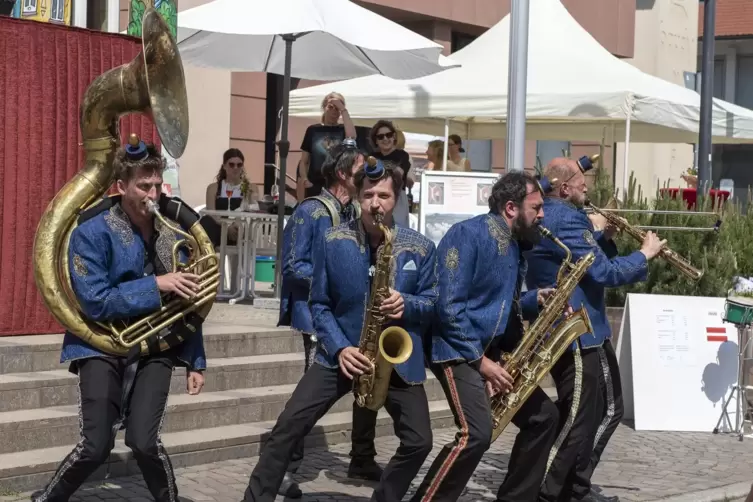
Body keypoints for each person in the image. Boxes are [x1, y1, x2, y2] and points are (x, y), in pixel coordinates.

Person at [243, 159, 438, 502]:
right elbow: (319, 304)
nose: (375, 203)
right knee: (287, 426)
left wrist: (407, 303)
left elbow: (435, 302)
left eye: (384, 196)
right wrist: (339, 348)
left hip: (393, 361)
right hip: (340, 355)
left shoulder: (421, 247)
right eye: (368, 195)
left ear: (397, 199)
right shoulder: (333, 241)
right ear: (357, 195)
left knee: (420, 440)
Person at [33, 135, 207, 502]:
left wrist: (195, 359)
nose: (154, 195)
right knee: (95, 446)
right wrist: (155, 283)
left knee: (144, 441)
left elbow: (191, 303)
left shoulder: (172, 230)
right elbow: (96, 301)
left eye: (158, 185)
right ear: (121, 187)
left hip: (158, 344)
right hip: (99, 342)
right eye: (143, 187)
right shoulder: (91, 232)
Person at [412, 171, 561, 502]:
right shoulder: (466, 235)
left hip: (486, 351)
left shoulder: (514, 245)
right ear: (511, 207)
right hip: (454, 349)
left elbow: (492, 304)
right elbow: (448, 307)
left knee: (544, 418)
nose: (542, 215)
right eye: (536, 207)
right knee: (476, 434)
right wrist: (482, 364)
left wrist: (530, 300)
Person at [525, 157, 665, 502]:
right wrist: (644, 255)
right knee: (586, 416)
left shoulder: (560, 217)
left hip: (584, 326)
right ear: (564, 187)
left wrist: (602, 236)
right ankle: (558, 489)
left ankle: (571, 486)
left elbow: (584, 263)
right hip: (578, 329)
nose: (586, 186)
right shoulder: (567, 218)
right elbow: (606, 274)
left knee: (602, 411)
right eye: (580, 180)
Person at [278, 139, 382, 497]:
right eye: (360, 172)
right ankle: (285, 469)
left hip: (356, 320)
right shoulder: (310, 211)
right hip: (316, 317)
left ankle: (362, 456)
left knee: (369, 386)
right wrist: (335, 281)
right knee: (307, 403)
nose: (368, 178)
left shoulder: (357, 213)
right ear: (342, 174)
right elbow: (292, 266)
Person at [297, 92, 371, 200]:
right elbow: (304, 160)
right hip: (315, 183)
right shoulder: (313, 130)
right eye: (330, 107)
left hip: (337, 183)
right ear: (324, 107)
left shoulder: (342, 130)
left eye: (337, 108)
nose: (333, 111)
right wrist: (304, 179)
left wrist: (343, 109)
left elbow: (351, 137)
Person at [369, 120, 414, 227]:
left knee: (398, 231)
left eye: (388, 135)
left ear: (394, 137)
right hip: (376, 197)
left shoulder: (402, 155)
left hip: (397, 199)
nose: (385, 139)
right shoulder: (372, 157)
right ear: (376, 141)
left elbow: (400, 173)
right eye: (380, 137)